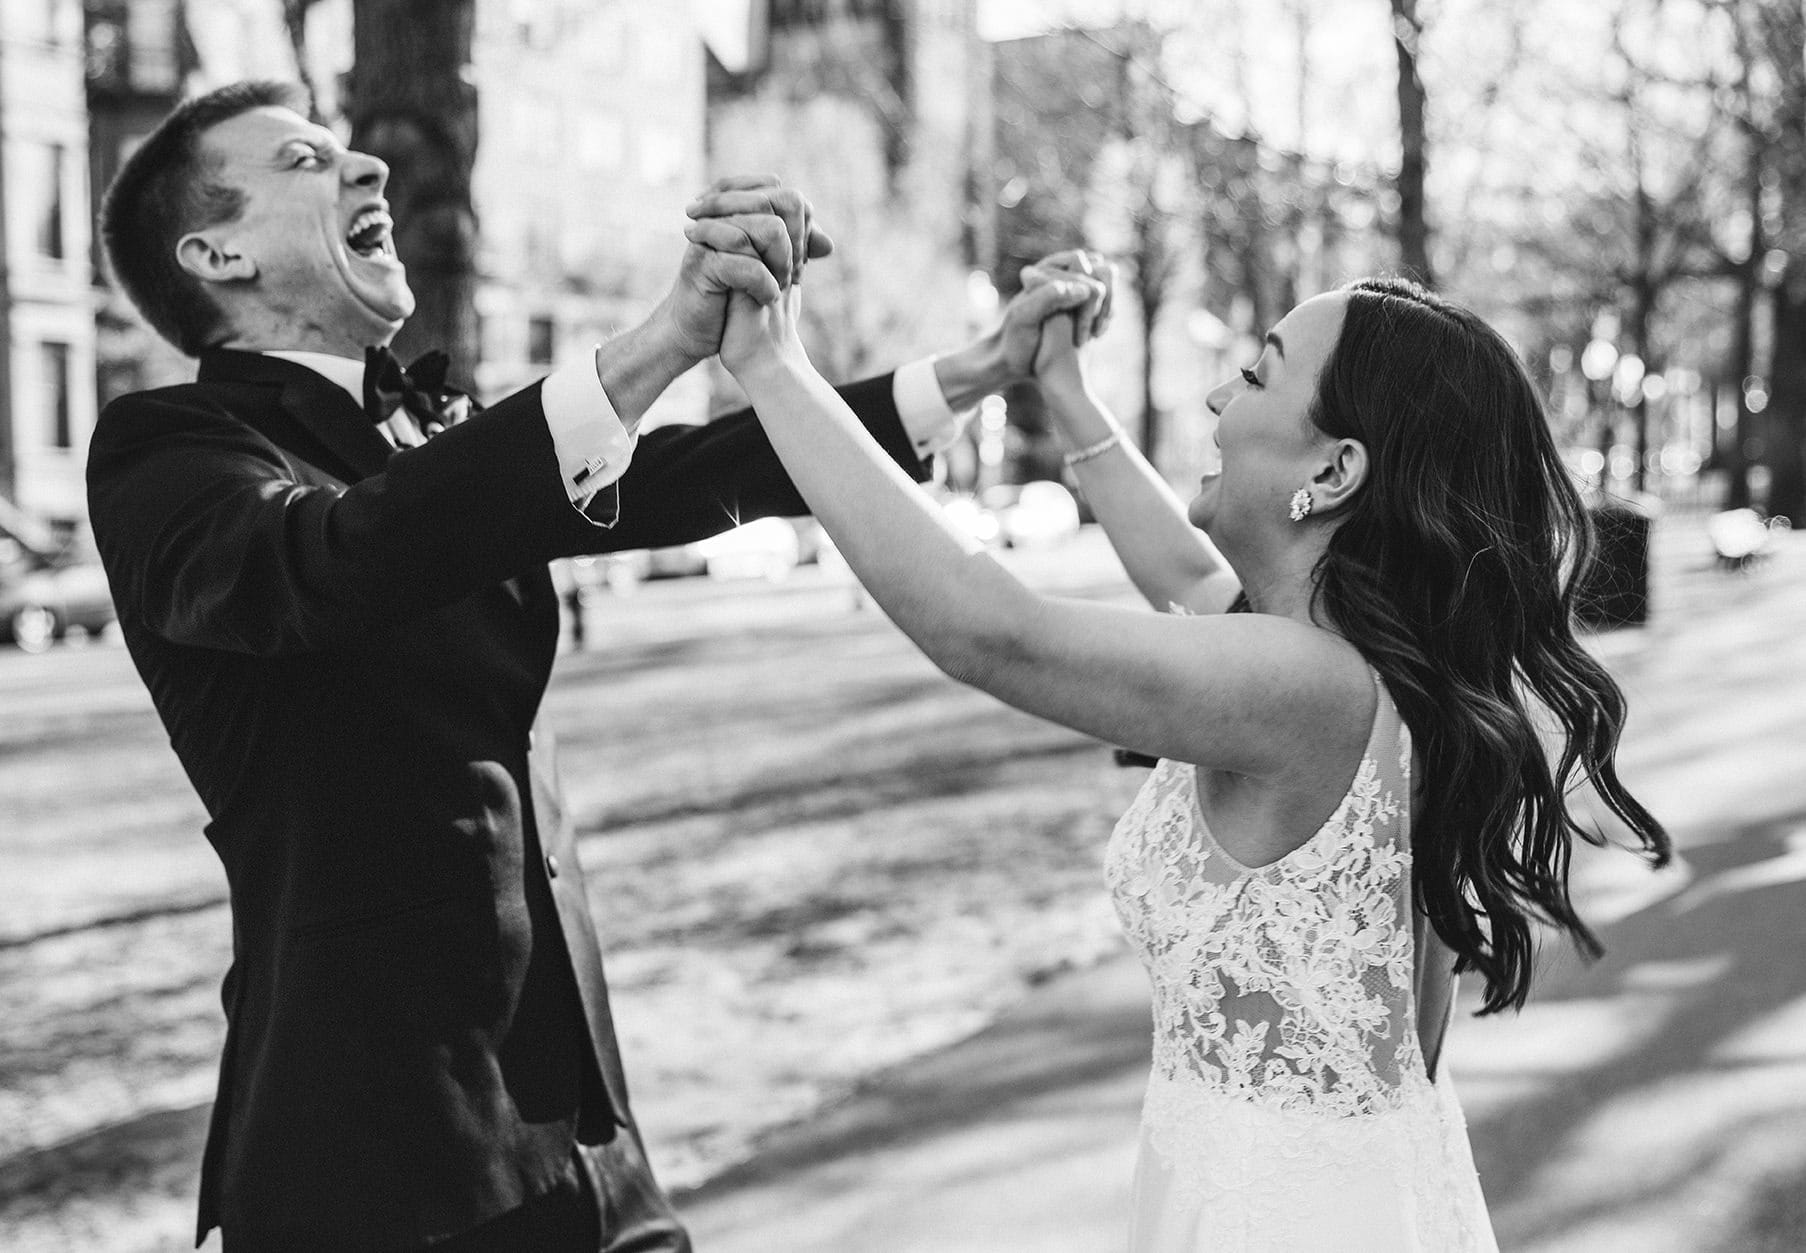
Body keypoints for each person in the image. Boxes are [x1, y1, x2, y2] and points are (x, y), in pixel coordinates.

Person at [87, 81, 1100, 1252]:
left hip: (583, 1132)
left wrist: (979, 368)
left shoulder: (428, 434)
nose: (366, 168)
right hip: (377, 1163)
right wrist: (659, 341)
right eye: (306, 160)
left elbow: (682, 472)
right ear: (214, 250)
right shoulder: (168, 452)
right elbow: (326, 560)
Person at [713, 256, 1669, 1251]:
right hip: (1319, 1194)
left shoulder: (1303, 689)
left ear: (1334, 472)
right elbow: (1185, 571)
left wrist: (775, 365)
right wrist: (1066, 393)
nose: (1217, 394)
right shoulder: (1357, 670)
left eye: (1254, 376)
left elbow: (990, 632)